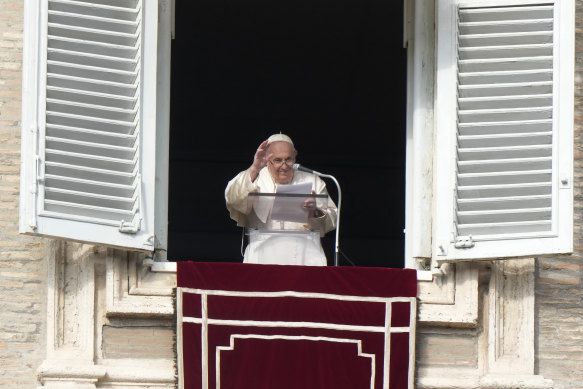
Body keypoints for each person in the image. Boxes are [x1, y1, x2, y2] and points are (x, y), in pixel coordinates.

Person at [225, 133, 337, 266]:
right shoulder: (255, 178)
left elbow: (332, 218)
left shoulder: (312, 181)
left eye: (288, 159)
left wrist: (314, 212)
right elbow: (233, 200)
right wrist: (255, 168)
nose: (284, 166)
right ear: (267, 159)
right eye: (278, 160)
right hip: (262, 256)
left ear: (295, 156)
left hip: (305, 257)